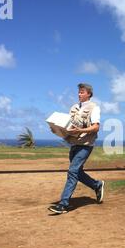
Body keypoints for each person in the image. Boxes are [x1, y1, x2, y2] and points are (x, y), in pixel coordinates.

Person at [48, 83, 105, 214]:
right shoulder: (73, 107)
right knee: (77, 172)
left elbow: (96, 127)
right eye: (79, 92)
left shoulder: (94, 108)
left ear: (89, 94)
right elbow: (68, 127)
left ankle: (63, 204)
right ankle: (97, 185)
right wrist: (56, 130)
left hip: (85, 145)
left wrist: (81, 130)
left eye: (82, 92)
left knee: (72, 171)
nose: (79, 94)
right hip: (73, 144)